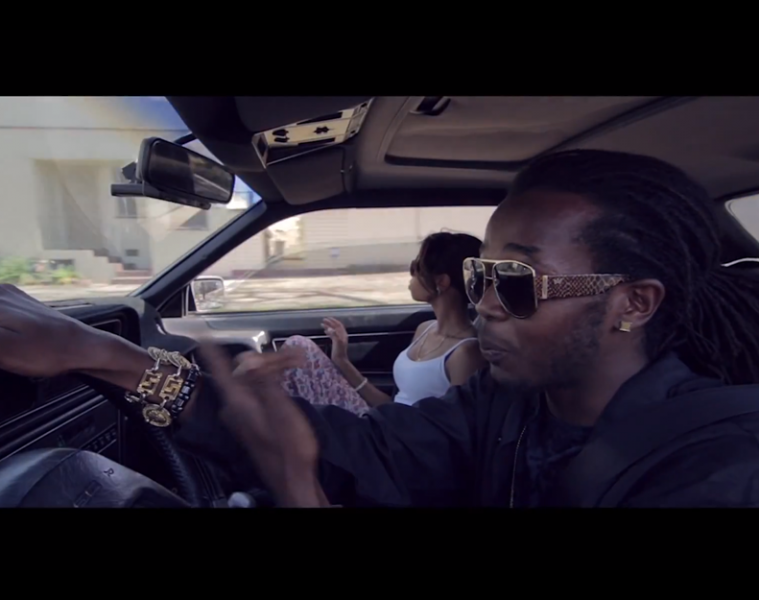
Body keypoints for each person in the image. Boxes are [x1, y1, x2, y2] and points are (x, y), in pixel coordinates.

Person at [3, 148, 759, 507]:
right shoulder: (506, 408)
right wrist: (109, 356)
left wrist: (300, 491)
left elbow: (315, 466)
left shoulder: (722, 469)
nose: (486, 304)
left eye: (516, 281)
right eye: (479, 275)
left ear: (634, 304)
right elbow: (360, 452)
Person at [277, 231, 486, 414]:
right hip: (383, 424)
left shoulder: (465, 353)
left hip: (396, 442)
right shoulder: (425, 329)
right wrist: (341, 360)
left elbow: (458, 431)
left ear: (441, 282)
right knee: (299, 348)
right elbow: (392, 406)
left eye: (416, 268)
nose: (410, 274)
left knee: (297, 351)